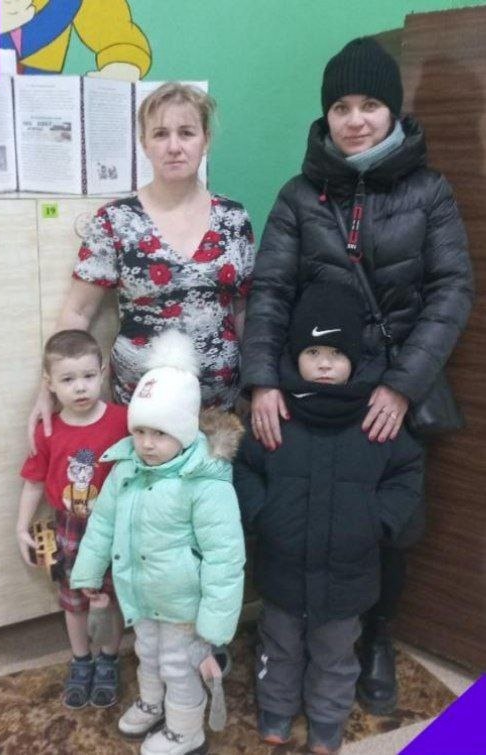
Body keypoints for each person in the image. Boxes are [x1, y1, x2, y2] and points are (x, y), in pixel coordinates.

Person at [241, 37, 473, 715]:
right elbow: (271, 292)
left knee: (385, 522)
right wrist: (262, 380)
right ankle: (285, 637)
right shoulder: (298, 195)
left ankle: (375, 637)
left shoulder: (430, 191)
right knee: (302, 510)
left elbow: (452, 291)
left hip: (390, 388)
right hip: (313, 386)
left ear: (392, 110)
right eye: (341, 106)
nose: (355, 119)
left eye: (369, 104)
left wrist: (402, 383)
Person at [235, 282, 424, 753]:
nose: (324, 363)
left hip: (349, 574)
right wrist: (261, 514)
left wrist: (379, 521)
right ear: (295, 354)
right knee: (278, 646)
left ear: (354, 358)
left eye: (336, 353)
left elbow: (406, 471)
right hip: (282, 567)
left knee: (336, 654)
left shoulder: (376, 417)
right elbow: (244, 468)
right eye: (313, 351)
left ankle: (327, 719)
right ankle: (276, 708)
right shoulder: (274, 414)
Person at [28, 82, 255, 449]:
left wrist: (257, 386)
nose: (174, 146)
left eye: (186, 132)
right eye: (160, 134)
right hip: (143, 413)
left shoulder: (233, 218)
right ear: (144, 143)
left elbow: (244, 310)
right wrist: (48, 388)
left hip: (218, 411)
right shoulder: (115, 220)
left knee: (212, 487)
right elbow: (78, 312)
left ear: (205, 140)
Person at [70, 330, 245, 755]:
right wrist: (88, 571)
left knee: (179, 666)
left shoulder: (205, 481)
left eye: (160, 433)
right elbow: (103, 523)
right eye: (141, 431)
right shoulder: (127, 468)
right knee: (147, 652)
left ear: (184, 431)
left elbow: (225, 557)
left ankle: (186, 731)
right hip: (142, 593)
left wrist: (215, 625)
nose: (147, 444)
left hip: (185, 605)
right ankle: (153, 704)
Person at [17, 330, 128, 710]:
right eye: (67, 379)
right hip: (69, 528)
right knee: (73, 600)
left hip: (113, 527)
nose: (80, 387)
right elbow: (33, 482)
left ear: (103, 371)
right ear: (49, 383)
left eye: (88, 376)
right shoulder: (47, 430)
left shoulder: (124, 421)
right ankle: (81, 660)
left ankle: (109, 659)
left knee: (110, 598)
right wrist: (21, 527)